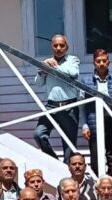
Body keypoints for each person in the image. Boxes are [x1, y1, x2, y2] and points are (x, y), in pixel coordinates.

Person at [33, 34, 80, 163]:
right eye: (55, 45)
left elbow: (74, 73)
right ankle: (54, 161)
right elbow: (38, 83)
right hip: (51, 106)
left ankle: (66, 169)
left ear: (67, 48)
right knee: (39, 134)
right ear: (52, 47)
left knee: (69, 145)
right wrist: (43, 71)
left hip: (69, 106)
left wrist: (55, 67)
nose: (58, 48)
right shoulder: (47, 62)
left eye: (61, 45)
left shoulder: (72, 60)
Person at [81, 49, 112, 174]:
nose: (101, 63)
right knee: (96, 158)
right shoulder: (85, 81)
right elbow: (82, 105)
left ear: (108, 62)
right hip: (94, 122)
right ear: (94, 63)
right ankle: (99, 183)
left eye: (104, 61)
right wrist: (84, 125)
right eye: (98, 61)